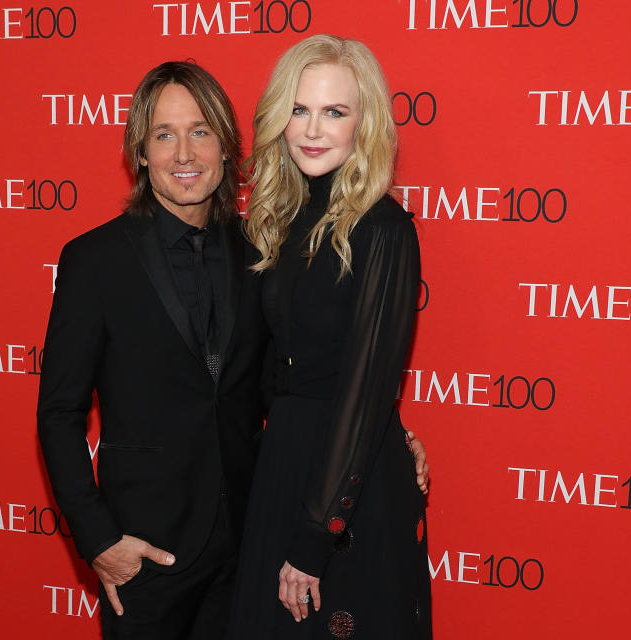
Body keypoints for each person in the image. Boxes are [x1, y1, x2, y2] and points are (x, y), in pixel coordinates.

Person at [37, 60, 429, 640]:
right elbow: (58, 413)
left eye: (200, 131)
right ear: (139, 153)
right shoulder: (94, 261)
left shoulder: (262, 250)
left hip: (251, 538)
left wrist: (384, 433)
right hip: (147, 552)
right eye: (163, 135)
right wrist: (99, 540)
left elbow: (297, 370)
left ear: (228, 148)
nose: (184, 154)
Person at [229, 35, 432, 639]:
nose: (313, 129)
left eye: (335, 112)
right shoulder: (276, 223)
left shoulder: (384, 228)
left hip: (347, 488)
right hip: (284, 463)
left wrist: (317, 537)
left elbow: (365, 392)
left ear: (363, 123)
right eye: (299, 109)